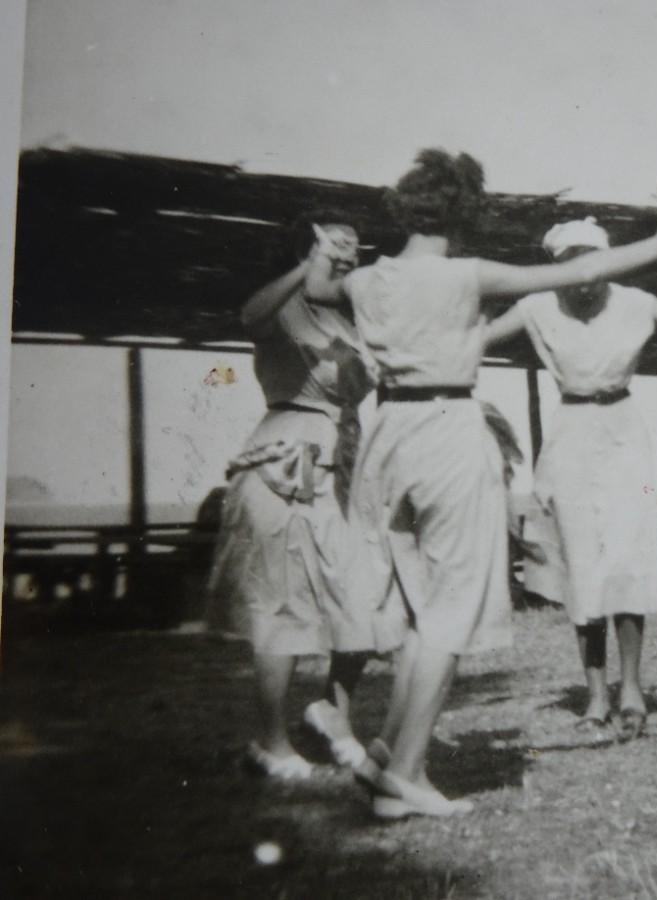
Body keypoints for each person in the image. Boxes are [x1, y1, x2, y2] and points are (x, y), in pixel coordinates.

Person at [303, 150, 657, 818]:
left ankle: (383, 755)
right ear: (463, 214)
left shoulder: (369, 279)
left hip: (385, 434)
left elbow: (317, 289)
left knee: (413, 607)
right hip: (446, 428)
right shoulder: (465, 273)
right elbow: (582, 268)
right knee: (452, 606)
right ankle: (406, 772)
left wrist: (324, 251)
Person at [485, 216, 657, 740]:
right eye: (570, 264)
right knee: (582, 564)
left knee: (629, 556)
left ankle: (632, 688)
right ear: (554, 266)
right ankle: (596, 692)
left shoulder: (634, 302)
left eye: (592, 261)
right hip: (569, 437)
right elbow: (472, 340)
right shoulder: (534, 306)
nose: (584, 276)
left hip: (625, 437)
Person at [206, 212, 375, 780]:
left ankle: (333, 715)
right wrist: (308, 265)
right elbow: (248, 315)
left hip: (344, 459)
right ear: (305, 253)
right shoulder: (280, 307)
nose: (347, 262)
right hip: (286, 457)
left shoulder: (351, 320)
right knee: (282, 603)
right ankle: (271, 742)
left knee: (365, 595)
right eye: (335, 253)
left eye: (353, 255)